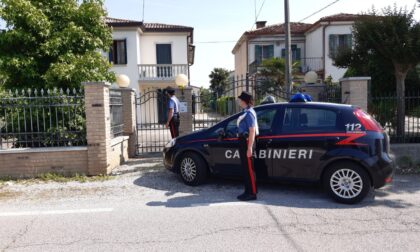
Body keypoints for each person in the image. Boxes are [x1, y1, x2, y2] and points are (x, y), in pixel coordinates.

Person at [236, 91, 259, 201]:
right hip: (243, 141)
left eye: (240, 99)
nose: (239, 101)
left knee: (249, 169)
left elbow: (252, 130)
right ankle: (248, 190)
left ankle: (252, 193)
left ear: (244, 101)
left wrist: (249, 147)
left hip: (247, 142)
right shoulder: (246, 111)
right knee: (246, 168)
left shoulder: (249, 113)